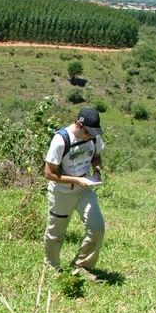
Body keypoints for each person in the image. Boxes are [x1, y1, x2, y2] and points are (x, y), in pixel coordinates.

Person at [43, 108, 105, 281]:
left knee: (97, 227)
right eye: (87, 133)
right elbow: (49, 173)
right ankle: (51, 267)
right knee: (56, 233)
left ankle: (81, 265)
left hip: (85, 188)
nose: (90, 137)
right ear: (78, 124)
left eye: (93, 134)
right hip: (62, 192)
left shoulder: (94, 136)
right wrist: (75, 181)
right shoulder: (61, 140)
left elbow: (97, 156)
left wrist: (97, 171)